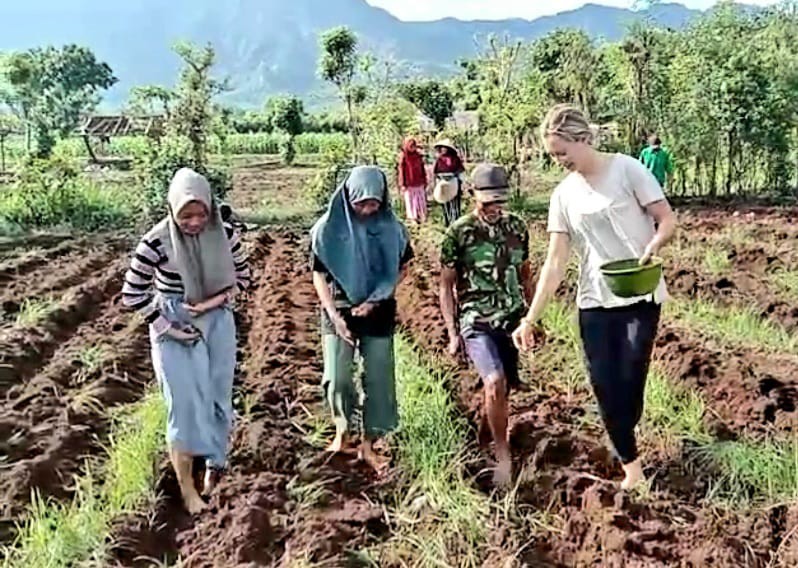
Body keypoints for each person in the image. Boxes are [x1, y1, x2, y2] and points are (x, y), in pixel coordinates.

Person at [512, 105, 676, 490]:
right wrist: (530, 318)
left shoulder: (627, 169)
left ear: (583, 139)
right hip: (594, 301)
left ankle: (625, 432)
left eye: (562, 152)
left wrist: (655, 243)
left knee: (630, 385)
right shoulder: (563, 195)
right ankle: (632, 469)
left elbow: (667, 218)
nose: (559, 161)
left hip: (639, 293)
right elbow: (555, 260)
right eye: (553, 155)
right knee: (604, 386)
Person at [122, 168, 251, 513]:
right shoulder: (156, 241)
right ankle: (187, 490)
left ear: (211, 208)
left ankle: (214, 467)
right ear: (172, 210)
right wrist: (168, 327)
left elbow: (244, 278)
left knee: (218, 396)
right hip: (173, 321)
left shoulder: (225, 234)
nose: (194, 222)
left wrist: (211, 303)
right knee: (183, 404)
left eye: (201, 214)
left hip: (217, 319)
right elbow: (132, 293)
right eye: (185, 215)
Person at [310, 165, 413, 473]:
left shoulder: (393, 230)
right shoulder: (327, 229)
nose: (368, 210)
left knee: (379, 378)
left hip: (378, 310)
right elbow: (318, 274)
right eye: (361, 204)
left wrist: (376, 298)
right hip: (339, 309)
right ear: (347, 198)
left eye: (374, 203)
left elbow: (404, 266)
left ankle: (370, 442)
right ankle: (342, 432)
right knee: (337, 377)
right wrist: (333, 315)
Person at [439, 163, 534, 486]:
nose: (494, 207)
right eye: (488, 201)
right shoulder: (458, 233)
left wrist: (532, 319)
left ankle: (484, 433)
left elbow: (525, 276)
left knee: (504, 387)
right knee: (494, 381)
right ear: (472, 194)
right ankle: (503, 456)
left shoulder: (517, 227)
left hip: (510, 319)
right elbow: (446, 286)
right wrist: (453, 334)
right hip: (475, 320)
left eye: (500, 201)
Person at [433, 139, 466, 226]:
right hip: (443, 185)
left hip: (454, 183)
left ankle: (456, 222)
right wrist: (436, 182)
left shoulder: (455, 159)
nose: (443, 149)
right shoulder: (439, 160)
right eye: (442, 148)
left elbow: (460, 171)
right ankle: (447, 221)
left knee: (455, 204)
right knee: (445, 203)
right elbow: (436, 173)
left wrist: (462, 182)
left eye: (445, 148)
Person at [398, 137, 428, 224]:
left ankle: (422, 216)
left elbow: (422, 169)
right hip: (409, 183)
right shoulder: (404, 157)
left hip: (419, 182)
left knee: (420, 200)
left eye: (414, 146)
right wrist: (402, 183)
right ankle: (412, 218)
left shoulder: (418, 156)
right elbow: (401, 171)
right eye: (411, 146)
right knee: (410, 200)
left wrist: (425, 180)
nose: (413, 148)